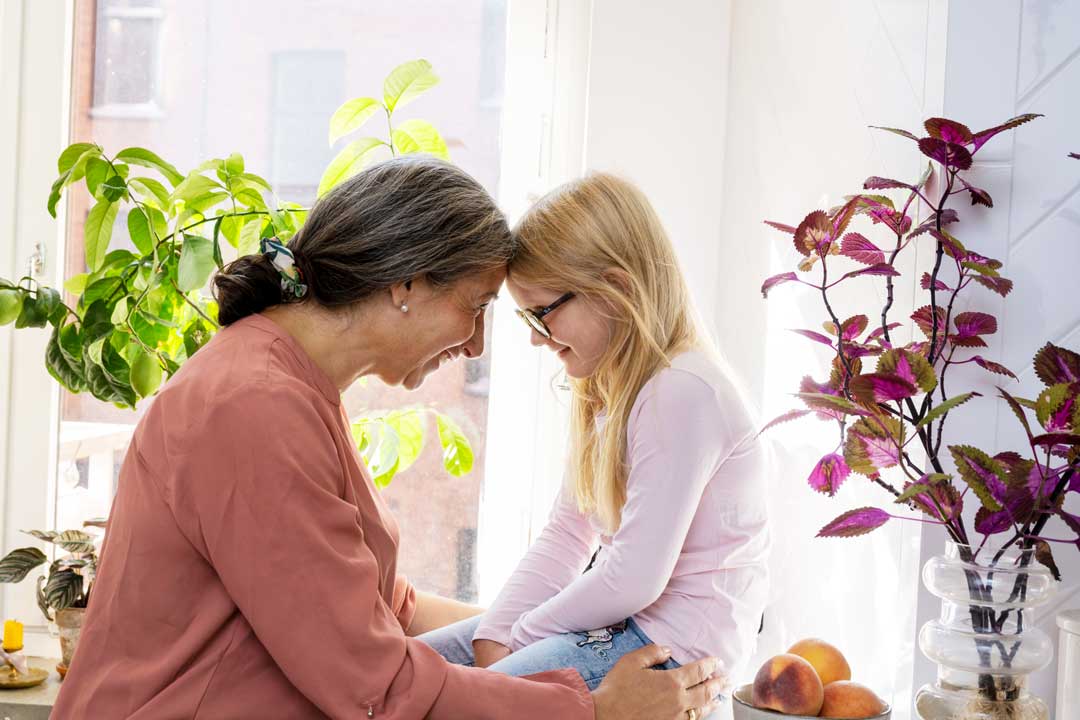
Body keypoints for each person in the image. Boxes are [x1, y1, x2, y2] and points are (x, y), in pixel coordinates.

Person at [51, 157, 726, 720]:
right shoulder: (254, 409)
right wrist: (591, 708)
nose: (477, 344)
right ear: (405, 284)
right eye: (478, 306)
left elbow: (384, 613)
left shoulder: (290, 386)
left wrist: (523, 636)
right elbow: (376, 687)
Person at [419, 173, 770, 717]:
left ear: (617, 289)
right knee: (408, 675)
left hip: (663, 654)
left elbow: (633, 576)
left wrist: (522, 635)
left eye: (543, 312)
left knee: (460, 709)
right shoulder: (609, 388)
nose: (536, 336)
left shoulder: (683, 390)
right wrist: (497, 631)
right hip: (620, 627)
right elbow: (567, 535)